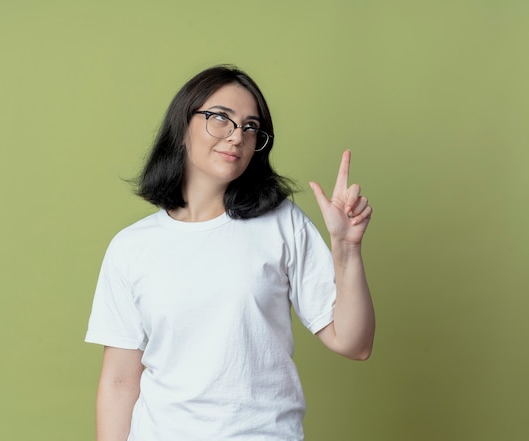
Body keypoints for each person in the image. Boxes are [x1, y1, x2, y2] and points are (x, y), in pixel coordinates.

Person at [85, 65, 375, 441]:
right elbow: (120, 381)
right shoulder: (132, 246)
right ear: (182, 124)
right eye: (221, 118)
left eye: (250, 127)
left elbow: (354, 343)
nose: (237, 136)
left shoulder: (281, 223)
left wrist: (347, 249)